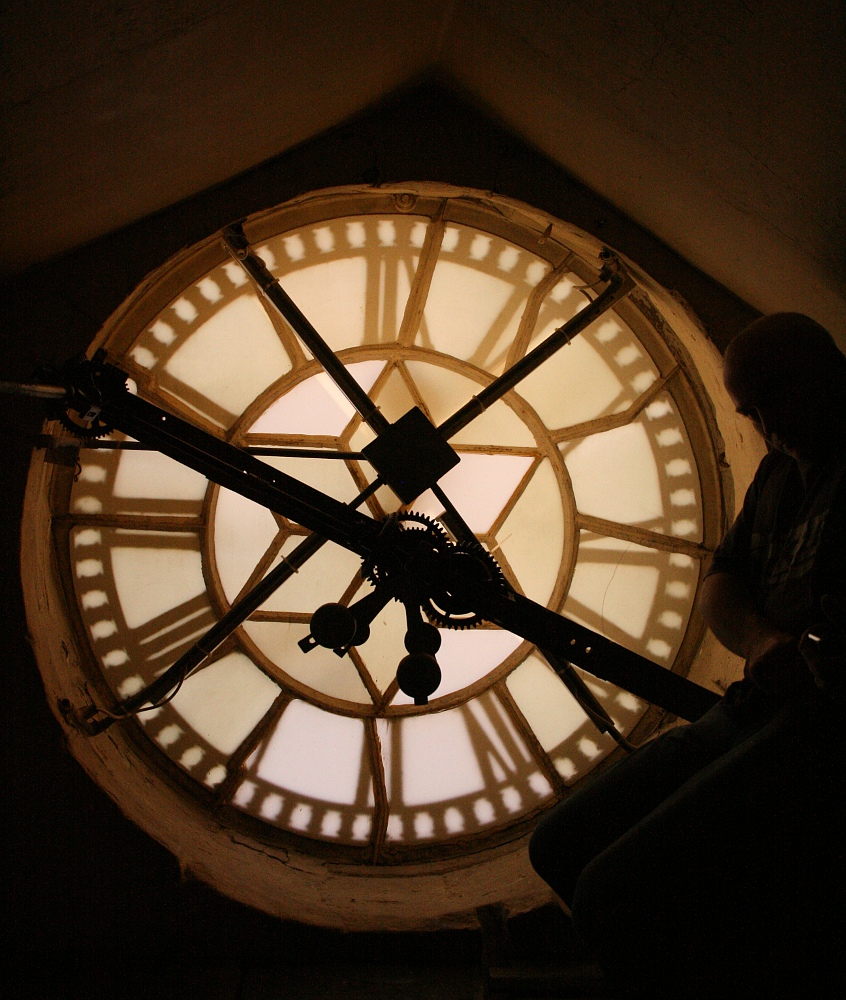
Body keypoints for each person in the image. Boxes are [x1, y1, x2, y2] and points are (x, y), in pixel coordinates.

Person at [529, 313, 846, 999]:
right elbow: (721, 581)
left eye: (775, 400)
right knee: (561, 849)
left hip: (815, 742)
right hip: (765, 721)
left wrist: (768, 643)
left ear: (827, 372)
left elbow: (726, 587)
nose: (768, 428)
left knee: (606, 887)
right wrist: (769, 644)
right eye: (750, 412)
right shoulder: (779, 474)